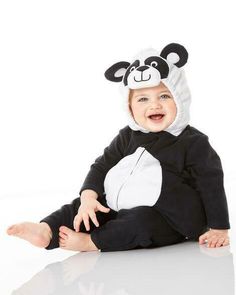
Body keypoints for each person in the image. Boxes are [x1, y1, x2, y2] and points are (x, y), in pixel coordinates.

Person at [7, 43, 230, 252]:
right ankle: (47, 230)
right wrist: (88, 197)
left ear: (180, 99)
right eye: (143, 99)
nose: (154, 104)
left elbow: (211, 183)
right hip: (119, 203)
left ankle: (92, 242)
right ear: (130, 107)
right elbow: (102, 164)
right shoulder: (127, 136)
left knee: (139, 224)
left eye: (164, 96)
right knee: (84, 208)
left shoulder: (193, 142)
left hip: (168, 218)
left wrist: (219, 227)